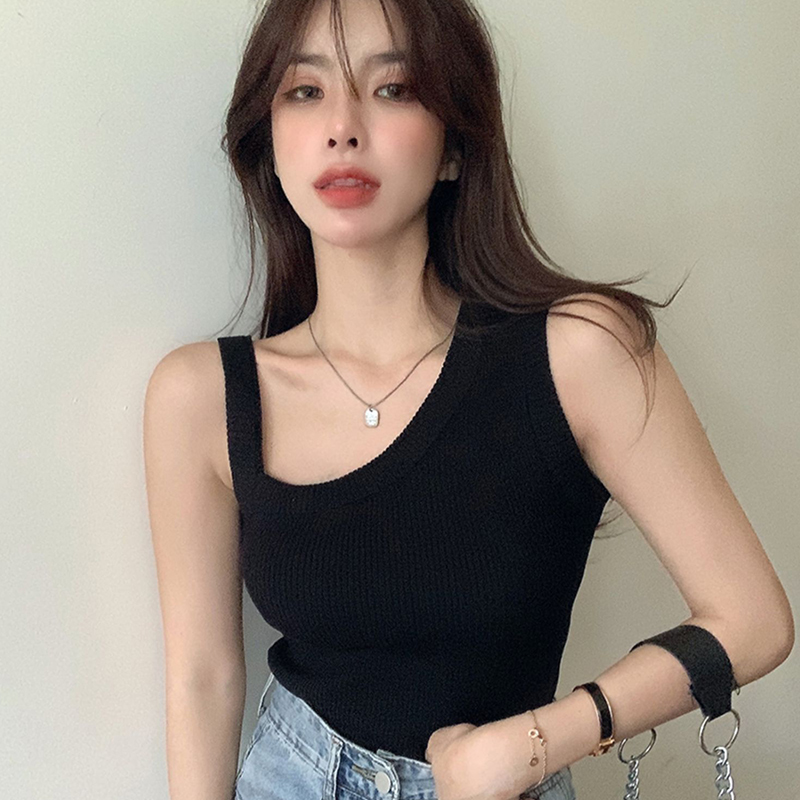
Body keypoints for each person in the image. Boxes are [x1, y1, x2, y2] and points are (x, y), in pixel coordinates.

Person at [143, 0, 794, 798]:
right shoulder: (201, 398)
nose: (342, 127)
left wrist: (537, 741)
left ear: (454, 146)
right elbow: (203, 678)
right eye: (305, 91)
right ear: (268, 144)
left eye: (393, 89)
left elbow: (753, 619)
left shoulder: (582, 353)